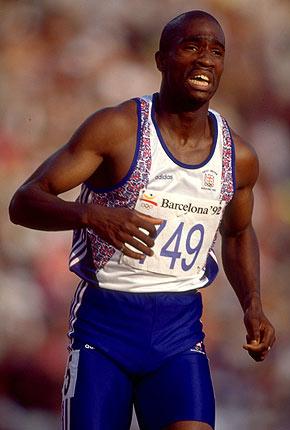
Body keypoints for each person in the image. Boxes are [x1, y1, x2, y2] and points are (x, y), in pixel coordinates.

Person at [9, 10, 275, 430]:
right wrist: (93, 216)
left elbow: (239, 231)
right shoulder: (117, 130)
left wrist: (252, 304)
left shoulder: (237, 157)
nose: (206, 59)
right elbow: (24, 202)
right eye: (191, 47)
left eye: (217, 51)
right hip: (104, 330)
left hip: (179, 333)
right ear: (161, 59)